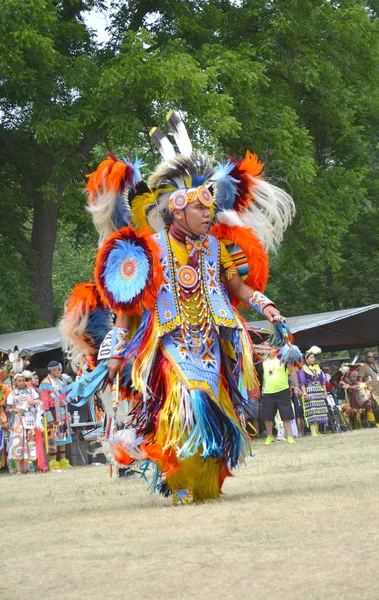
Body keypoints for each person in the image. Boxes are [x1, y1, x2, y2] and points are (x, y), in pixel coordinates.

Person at [60, 111, 295, 504]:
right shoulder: (149, 251)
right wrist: (114, 355)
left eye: (210, 209)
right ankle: (180, 479)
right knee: (184, 409)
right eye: (201, 209)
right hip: (167, 345)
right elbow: (127, 308)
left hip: (211, 341)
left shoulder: (216, 248)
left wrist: (268, 308)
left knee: (215, 414)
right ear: (179, 211)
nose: (209, 215)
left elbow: (237, 285)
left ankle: (203, 483)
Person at [39, 361, 72, 470]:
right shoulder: (45, 383)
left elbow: (68, 392)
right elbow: (44, 402)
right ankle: (53, 463)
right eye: (58, 369)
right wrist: (49, 418)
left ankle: (63, 462)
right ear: (52, 370)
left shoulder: (61, 381)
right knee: (53, 437)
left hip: (62, 411)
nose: (60, 371)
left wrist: (69, 380)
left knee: (63, 437)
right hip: (52, 412)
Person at [6, 374, 40, 473]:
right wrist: (14, 409)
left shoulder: (31, 391)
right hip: (18, 422)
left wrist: (31, 403)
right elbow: (7, 409)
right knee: (18, 443)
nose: (21, 382)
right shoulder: (12, 393)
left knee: (31, 442)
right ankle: (18, 469)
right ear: (15, 382)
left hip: (30, 420)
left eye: (23, 380)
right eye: (19, 381)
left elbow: (38, 401)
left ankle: (33, 467)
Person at [262, 349, 297, 445]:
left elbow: (293, 372)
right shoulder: (264, 361)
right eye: (268, 348)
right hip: (269, 392)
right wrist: (263, 387)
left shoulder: (283, 359)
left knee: (286, 415)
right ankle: (269, 436)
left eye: (272, 348)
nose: (270, 349)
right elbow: (264, 376)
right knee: (267, 416)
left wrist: (296, 386)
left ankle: (289, 436)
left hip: (283, 390)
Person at [298, 347, 328, 436]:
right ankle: (313, 431)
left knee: (319, 410)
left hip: (318, 390)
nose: (313, 359)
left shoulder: (317, 368)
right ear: (306, 359)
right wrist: (305, 393)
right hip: (310, 390)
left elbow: (323, 380)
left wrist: (325, 391)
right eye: (311, 357)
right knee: (312, 410)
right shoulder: (303, 369)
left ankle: (317, 431)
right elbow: (302, 382)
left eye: (314, 357)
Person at [358, 352, 379, 426]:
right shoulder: (363, 366)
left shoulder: (376, 365)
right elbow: (360, 379)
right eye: (369, 357)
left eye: (372, 356)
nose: (371, 358)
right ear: (366, 358)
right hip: (371, 391)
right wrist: (362, 391)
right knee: (377, 409)